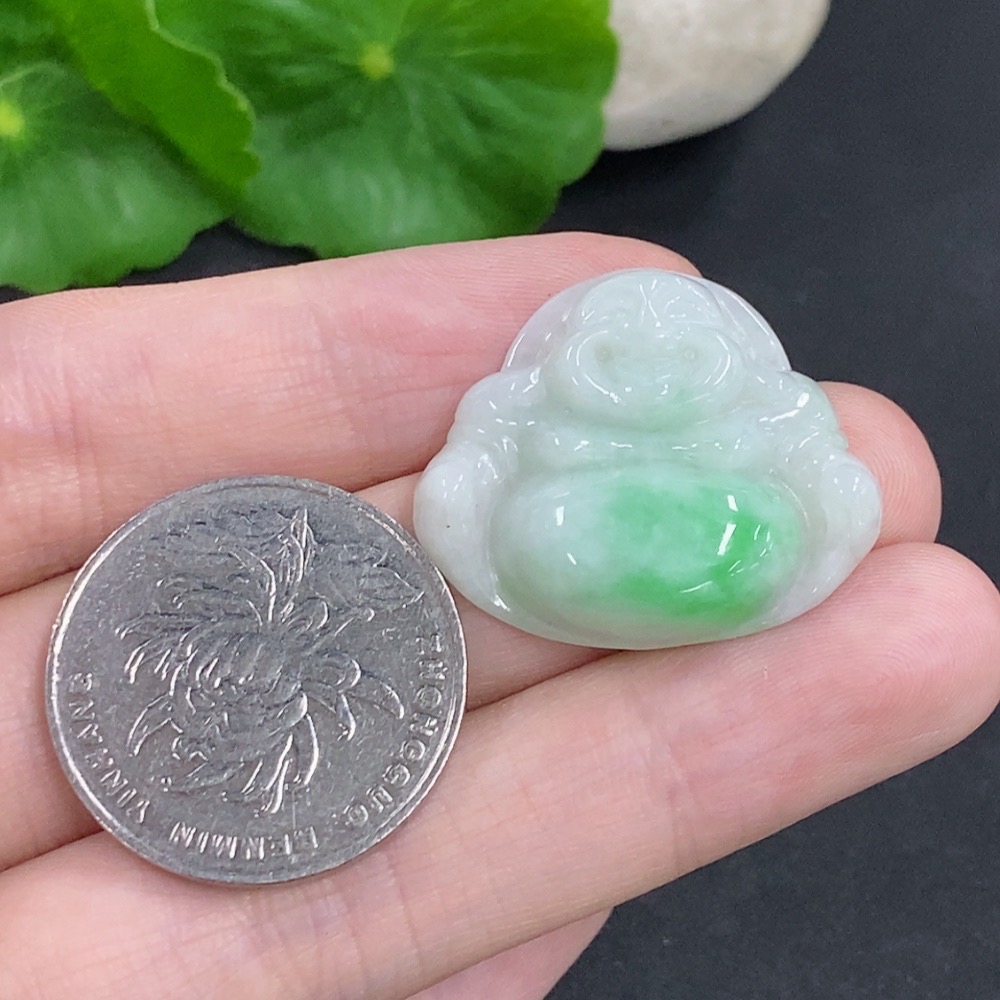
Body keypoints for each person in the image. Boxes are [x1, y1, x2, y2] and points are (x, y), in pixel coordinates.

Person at [0, 233, 996, 1000]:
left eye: (682, 352)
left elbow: (818, 463)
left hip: (733, 529)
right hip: (557, 532)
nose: (651, 371)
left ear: (731, 357)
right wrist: (471, 498)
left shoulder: (767, 414)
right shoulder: (527, 411)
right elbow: (477, 467)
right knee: (552, 526)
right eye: (619, 350)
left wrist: (825, 500)